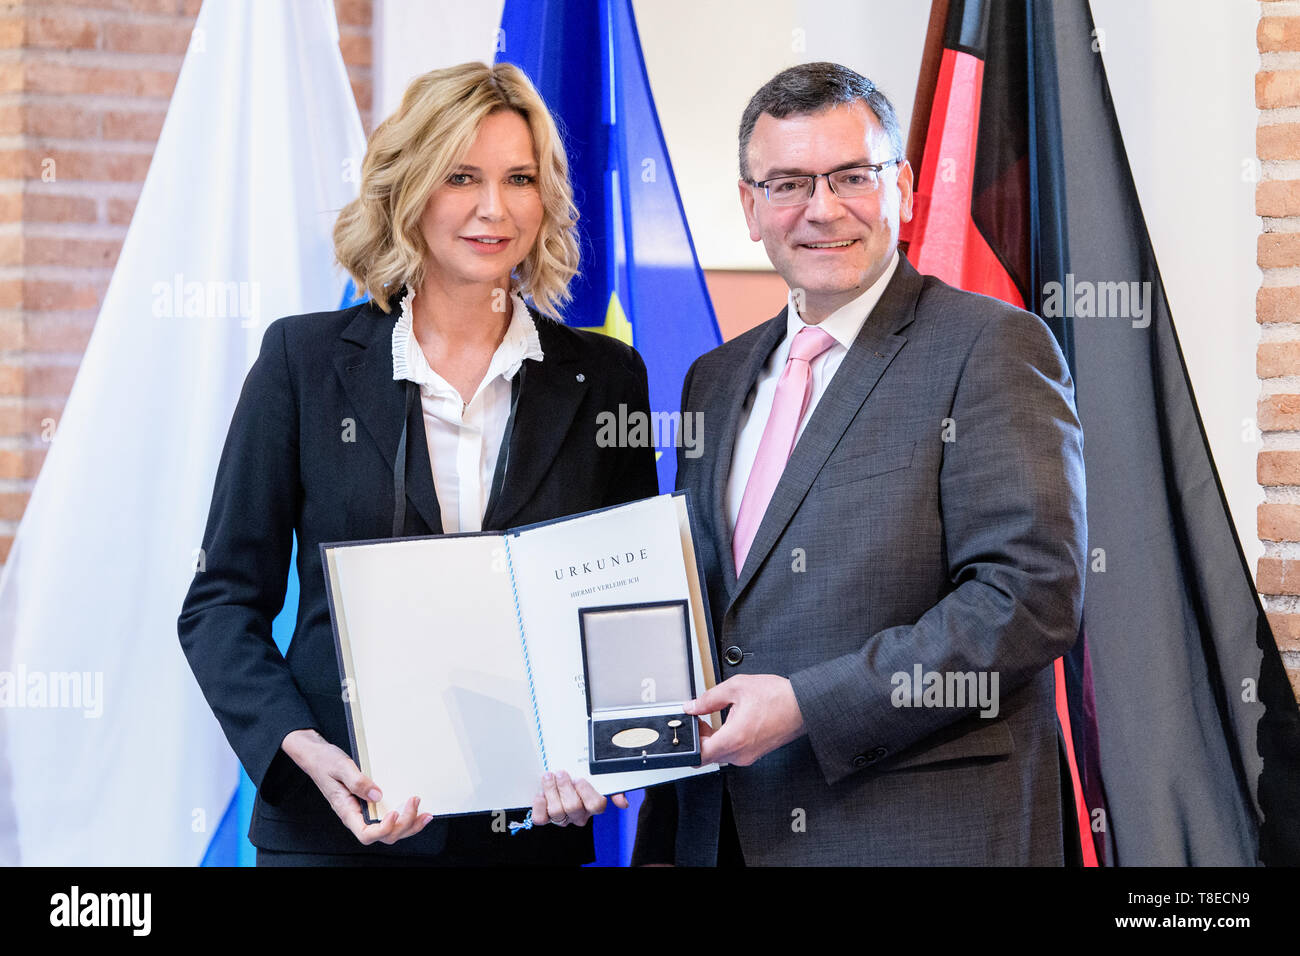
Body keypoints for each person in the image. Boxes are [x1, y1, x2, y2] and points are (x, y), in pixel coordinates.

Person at [177, 62, 656, 866]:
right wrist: (298, 747)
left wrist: (611, 755)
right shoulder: (303, 361)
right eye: (461, 176)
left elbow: (629, 608)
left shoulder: (607, 378)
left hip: (529, 833)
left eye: (520, 179)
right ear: (411, 189)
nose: (493, 208)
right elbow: (221, 603)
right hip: (337, 828)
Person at [632, 62, 1086, 866]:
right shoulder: (714, 379)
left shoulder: (991, 347)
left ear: (903, 186)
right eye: (787, 184)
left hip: (916, 832)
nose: (822, 210)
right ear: (749, 206)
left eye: (852, 176)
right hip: (720, 829)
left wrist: (809, 703)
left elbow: (1027, 598)